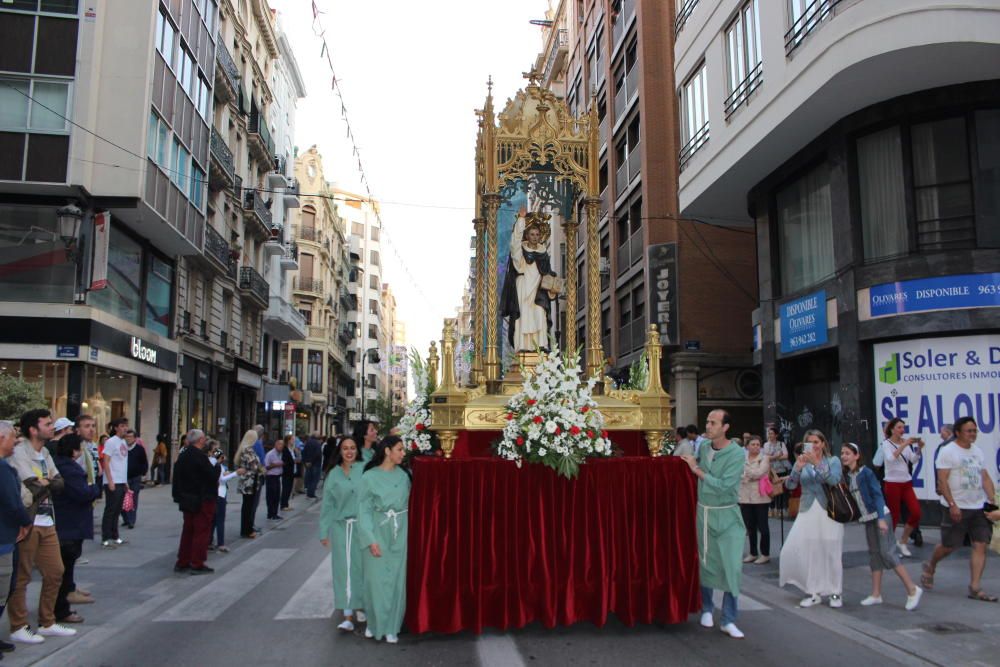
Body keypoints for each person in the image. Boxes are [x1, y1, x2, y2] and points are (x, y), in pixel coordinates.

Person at [8, 409, 75, 643]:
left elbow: (59, 483)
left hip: (48, 520)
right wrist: (47, 482)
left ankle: (47, 621)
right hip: (28, 522)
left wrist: (46, 482)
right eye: (47, 424)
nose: (51, 427)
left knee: (56, 571)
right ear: (33, 429)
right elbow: (33, 485)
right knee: (22, 576)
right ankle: (18, 625)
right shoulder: (18, 451)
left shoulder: (45, 451)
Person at [679, 410, 745, 639]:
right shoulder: (704, 448)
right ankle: (707, 608)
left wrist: (696, 469)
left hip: (727, 515)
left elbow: (725, 485)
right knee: (706, 563)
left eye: (713, 423)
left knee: (732, 567)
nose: (708, 426)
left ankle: (728, 619)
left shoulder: (737, 454)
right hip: (704, 513)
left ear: (725, 427)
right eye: (707, 422)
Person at [921, 416, 997, 602]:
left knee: (980, 545)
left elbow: (984, 476)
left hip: (978, 506)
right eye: (969, 431)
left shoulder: (977, 451)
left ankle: (975, 586)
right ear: (958, 433)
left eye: (974, 431)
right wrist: (952, 505)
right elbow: (942, 480)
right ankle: (931, 565)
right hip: (956, 507)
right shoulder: (948, 452)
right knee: (949, 546)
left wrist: (992, 499)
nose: (973, 434)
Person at [840, 442, 922, 610]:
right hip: (868, 519)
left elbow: (877, 495)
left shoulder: (866, 473)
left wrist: (882, 519)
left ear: (857, 455)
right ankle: (876, 594)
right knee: (875, 555)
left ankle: (912, 589)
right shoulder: (848, 476)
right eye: (842, 453)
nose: (844, 456)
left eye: (848, 453)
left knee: (888, 552)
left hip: (880, 516)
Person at [779, 429, 844, 608]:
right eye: (810, 442)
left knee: (832, 551)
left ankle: (835, 593)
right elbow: (790, 485)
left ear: (823, 444)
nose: (814, 445)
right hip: (807, 509)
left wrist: (817, 463)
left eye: (817, 442)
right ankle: (813, 591)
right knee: (811, 552)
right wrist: (797, 469)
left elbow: (834, 480)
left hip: (829, 510)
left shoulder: (833, 461)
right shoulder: (803, 462)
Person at [359, 436, 411, 643]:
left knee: (397, 581)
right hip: (376, 530)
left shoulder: (404, 476)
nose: (403, 453)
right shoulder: (369, 477)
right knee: (375, 582)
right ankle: (374, 623)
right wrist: (370, 539)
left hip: (399, 531)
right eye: (399, 449)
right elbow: (363, 510)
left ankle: (392, 626)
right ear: (388, 451)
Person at [51, 434, 102, 625]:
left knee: (63, 570)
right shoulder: (69, 470)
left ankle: (58, 607)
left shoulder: (60, 465)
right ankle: (60, 610)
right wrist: (95, 489)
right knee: (64, 570)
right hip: (70, 524)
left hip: (66, 523)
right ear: (74, 451)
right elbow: (82, 494)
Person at [319, 436, 368, 631]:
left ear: (357, 451)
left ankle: (361, 604)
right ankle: (347, 614)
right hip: (341, 528)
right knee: (343, 570)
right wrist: (324, 531)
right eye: (345, 448)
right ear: (340, 451)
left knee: (362, 568)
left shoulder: (365, 470)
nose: (349, 452)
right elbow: (327, 505)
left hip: (362, 527)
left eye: (353, 448)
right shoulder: (334, 475)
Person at [500, 210, 559, 352]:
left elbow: (548, 274)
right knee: (523, 317)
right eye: (532, 234)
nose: (535, 237)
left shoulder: (543, 253)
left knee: (540, 314)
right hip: (523, 287)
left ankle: (541, 346)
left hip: (539, 291)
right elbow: (514, 244)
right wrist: (521, 221)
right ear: (527, 235)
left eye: (537, 234)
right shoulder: (520, 252)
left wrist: (553, 286)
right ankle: (523, 347)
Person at [1, 421, 32, 654]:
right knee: (4, 589)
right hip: (3, 538)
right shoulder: (2, 469)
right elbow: (12, 502)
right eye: (13, 437)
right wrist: (25, 520)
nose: (17, 441)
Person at [171, 429, 220, 575]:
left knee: (188, 530)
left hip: (187, 498)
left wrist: (178, 496)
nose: (205, 441)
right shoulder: (200, 457)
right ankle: (197, 562)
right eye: (204, 439)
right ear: (200, 440)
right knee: (201, 531)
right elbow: (211, 476)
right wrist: (217, 466)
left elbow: (176, 478)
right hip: (202, 499)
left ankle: (183, 560)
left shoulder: (183, 455)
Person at [876, 418, 923, 557]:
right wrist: (905, 444)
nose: (902, 430)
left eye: (903, 427)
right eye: (899, 427)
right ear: (892, 429)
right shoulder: (886, 444)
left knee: (916, 512)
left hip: (906, 482)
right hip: (892, 483)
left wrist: (919, 448)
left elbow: (913, 459)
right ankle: (889, 545)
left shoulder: (905, 443)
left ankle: (903, 541)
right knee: (894, 516)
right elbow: (891, 458)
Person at [739, 435, 771, 565]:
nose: (756, 447)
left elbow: (760, 473)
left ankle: (765, 553)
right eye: (753, 444)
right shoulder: (742, 458)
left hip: (761, 497)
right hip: (745, 497)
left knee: (763, 527)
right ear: (747, 446)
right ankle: (752, 552)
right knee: (750, 527)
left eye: (758, 444)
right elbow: (738, 474)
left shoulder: (765, 458)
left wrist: (747, 474)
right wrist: (749, 475)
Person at [100, 418, 130, 548]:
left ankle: (115, 535)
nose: (125, 428)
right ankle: (105, 537)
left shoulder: (123, 441)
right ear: (116, 427)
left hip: (121, 480)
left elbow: (122, 463)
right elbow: (106, 461)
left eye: (126, 426)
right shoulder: (111, 442)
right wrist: (110, 481)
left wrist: (125, 481)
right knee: (110, 510)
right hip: (113, 480)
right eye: (122, 426)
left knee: (117, 510)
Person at [209, 446, 242, 554]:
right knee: (219, 519)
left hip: (213, 493)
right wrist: (236, 473)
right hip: (220, 493)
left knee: (213, 519)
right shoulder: (217, 464)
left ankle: (209, 541)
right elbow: (221, 479)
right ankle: (221, 543)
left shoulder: (209, 461)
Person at [235, 430, 264, 539]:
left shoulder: (244, 449)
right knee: (249, 506)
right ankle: (247, 529)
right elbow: (254, 466)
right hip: (250, 482)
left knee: (247, 506)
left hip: (248, 481)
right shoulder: (248, 450)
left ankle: (247, 528)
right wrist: (262, 469)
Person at [121, 429, 149, 530]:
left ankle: (131, 521)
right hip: (123, 477)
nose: (128, 439)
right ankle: (126, 518)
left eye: (130, 437)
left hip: (135, 477)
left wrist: (143, 472)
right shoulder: (122, 448)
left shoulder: (139, 449)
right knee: (122, 499)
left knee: (133, 499)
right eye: (126, 437)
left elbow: (144, 462)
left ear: (135, 438)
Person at [264, 439, 285, 521]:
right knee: (271, 496)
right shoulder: (270, 454)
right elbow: (266, 466)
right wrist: (275, 465)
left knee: (277, 495)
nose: (281, 446)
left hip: (277, 476)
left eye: (282, 445)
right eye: (279, 444)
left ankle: (275, 513)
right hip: (271, 476)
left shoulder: (281, 454)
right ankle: (270, 513)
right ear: (276, 445)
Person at [302, 432, 323, 499]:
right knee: (315, 479)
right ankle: (311, 493)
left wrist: (305, 462)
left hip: (308, 464)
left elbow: (303, 452)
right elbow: (317, 454)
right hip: (315, 464)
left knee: (310, 478)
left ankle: (309, 492)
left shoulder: (308, 442)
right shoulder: (317, 443)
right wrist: (311, 461)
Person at [280, 435, 296, 511]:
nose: (294, 441)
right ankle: (283, 505)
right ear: (288, 440)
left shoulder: (291, 449)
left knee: (289, 488)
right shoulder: (285, 450)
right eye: (292, 439)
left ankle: (286, 503)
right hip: (287, 472)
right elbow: (285, 460)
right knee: (286, 488)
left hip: (291, 472)